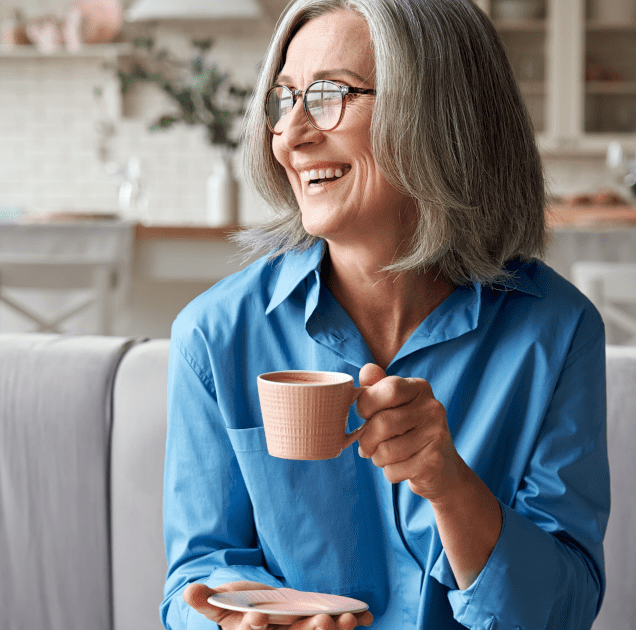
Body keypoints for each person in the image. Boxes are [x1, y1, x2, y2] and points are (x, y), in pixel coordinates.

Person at [162, 1, 610, 628]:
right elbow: (197, 573)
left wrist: (450, 484)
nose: (291, 136)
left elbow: (562, 609)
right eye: (283, 100)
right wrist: (241, 615)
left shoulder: (556, 333)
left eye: (328, 96)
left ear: (441, 112)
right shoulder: (216, 336)